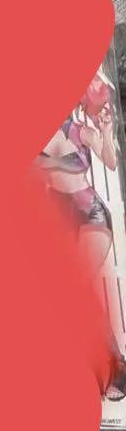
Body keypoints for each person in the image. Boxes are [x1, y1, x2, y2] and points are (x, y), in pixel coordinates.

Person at [37, 73, 126, 399]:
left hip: (91, 216)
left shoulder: (79, 131)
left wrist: (107, 132)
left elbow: (111, 163)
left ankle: (113, 365)